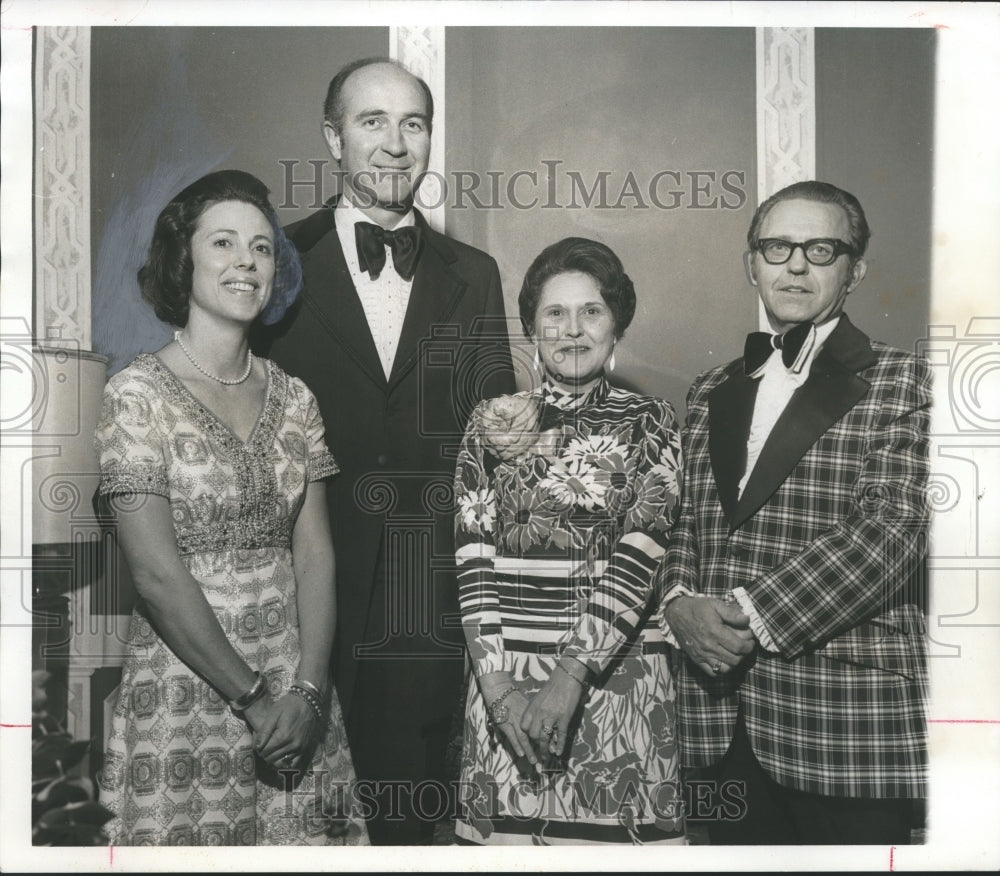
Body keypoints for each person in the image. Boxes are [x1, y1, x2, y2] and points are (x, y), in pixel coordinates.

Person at [255, 58, 515, 844]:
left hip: (422, 609)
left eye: (414, 124)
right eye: (372, 122)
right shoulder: (270, 263)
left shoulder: (476, 274)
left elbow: (495, 443)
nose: (396, 145)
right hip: (288, 603)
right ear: (332, 137)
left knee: (404, 829)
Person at [95, 170, 367, 846]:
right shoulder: (136, 395)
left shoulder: (296, 398)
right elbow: (157, 576)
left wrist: (306, 693)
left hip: (299, 704)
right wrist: (254, 699)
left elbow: (315, 553)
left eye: (262, 247)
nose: (246, 261)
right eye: (223, 243)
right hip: (186, 696)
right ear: (181, 261)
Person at [656, 181, 930, 845]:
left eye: (821, 248)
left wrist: (746, 616)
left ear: (855, 270)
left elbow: (889, 533)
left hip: (847, 731)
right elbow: (677, 523)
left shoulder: (908, 381)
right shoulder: (710, 389)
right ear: (752, 262)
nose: (796, 265)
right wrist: (678, 603)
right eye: (778, 247)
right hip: (715, 728)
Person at [453, 237, 686, 845]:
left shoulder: (651, 422)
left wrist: (570, 676)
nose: (572, 330)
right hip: (506, 687)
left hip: (617, 685)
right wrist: (499, 689)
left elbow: (642, 553)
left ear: (617, 328)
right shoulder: (488, 425)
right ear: (532, 327)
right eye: (555, 313)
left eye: (592, 312)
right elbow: (472, 561)